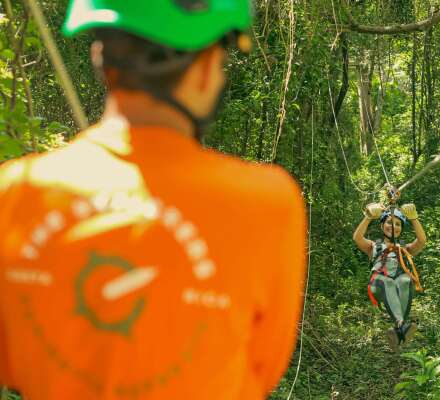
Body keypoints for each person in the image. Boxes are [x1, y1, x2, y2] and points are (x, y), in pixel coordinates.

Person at [0, 1, 306, 399]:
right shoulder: (267, 203)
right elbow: (261, 367)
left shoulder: (15, 194)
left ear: (99, 56)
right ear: (204, 66)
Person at [353, 203, 426, 352]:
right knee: (388, 282)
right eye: (389, 222)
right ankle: (402, 325)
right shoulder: (374, 246)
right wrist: (368, 217)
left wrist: (414, 219)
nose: (393, 226)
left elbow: (422, 241)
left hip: (398, 283)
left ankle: (399, 330)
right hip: (378, 283)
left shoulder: (405, 248)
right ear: (382, 225)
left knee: (406, 280)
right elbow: (357, 238)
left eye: (398, 224)